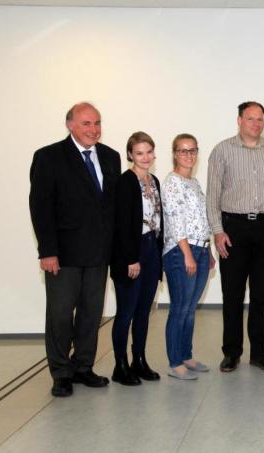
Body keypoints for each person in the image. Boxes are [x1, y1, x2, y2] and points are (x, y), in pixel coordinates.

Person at [29, 102, 121, 397]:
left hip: (98, 253)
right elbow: (40, 207)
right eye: (86, 124)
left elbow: (111, 207)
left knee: (91, 314)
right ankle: (60, 373)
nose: (93, 129)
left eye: (97, 123)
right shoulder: (48, 157)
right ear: (70, 125)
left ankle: (83, 367)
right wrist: (47, 251)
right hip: (63, 254)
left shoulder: (110, 157)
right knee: (59, 315)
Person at [207, 101, 264, 373]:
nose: (256, 124)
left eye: (260, 120)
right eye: (250, 119)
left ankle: (260, 353)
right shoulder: (222, 150)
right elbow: (212, 194)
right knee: (232, 294)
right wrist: (218, 231)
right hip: (233, 228)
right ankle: (231, 353)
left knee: (261, 295)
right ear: (239, 120)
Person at [109, 131, 164, 386]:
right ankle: (120, 365)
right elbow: (119, 225)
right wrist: (131, 258)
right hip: (130, 253)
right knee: (126, 312)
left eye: (149, 152)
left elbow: (158, 221)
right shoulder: (125, 182)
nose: (145, 157)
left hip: (151, 248)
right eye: (139, 153)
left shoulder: (154, 181)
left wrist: (158, 258)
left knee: (144, 311)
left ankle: (138, 360)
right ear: (130, 154)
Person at [162, 133, 216, 380]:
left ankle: (186, 355)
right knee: (180, 308)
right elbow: (175, 221)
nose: (189, 155)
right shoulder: (172, 182)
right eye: (183, 151)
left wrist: (209, 251)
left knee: (191, 309)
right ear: (175, 153)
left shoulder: (193, 183)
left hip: (201, 249)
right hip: (181, 252)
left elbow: (201, 220)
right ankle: (175, 362)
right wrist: (187, 255)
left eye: (193, 150)